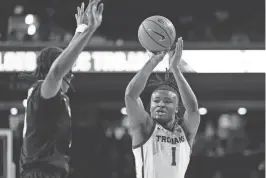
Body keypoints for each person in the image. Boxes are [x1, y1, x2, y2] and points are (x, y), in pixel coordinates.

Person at [19, 1, 104, 177]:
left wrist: (79, 31)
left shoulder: (51, 95)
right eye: (69, 71)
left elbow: (63, 65)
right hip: (41, 173)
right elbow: (57, 71)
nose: (71, 75)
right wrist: (89, 32)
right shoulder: (43, 92)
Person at [125, 37, 200, 178]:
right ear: (151, 106)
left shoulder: (185, 132)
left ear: (177, 108)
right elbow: (130, 96)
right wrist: (153, 61)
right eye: (156, 101)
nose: (161, 104)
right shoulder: (145, 127)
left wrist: (175, 69)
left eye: (167, 101)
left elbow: (193, 109)